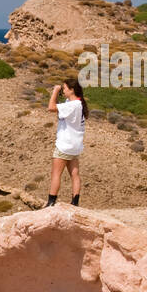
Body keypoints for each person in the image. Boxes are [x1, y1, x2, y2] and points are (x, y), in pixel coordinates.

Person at [46, 78, 87, 206]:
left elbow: (51, 107)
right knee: (75, 174)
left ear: (72, 89)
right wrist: (60, 95)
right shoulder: (78, 104)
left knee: (56, 174)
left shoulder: (72, 105)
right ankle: (75, 202)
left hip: (65, 145)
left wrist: (55, 91)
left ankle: (51, 202)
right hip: (75, 146)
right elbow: (61, 109)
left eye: (65, 88)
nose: (63, 91)